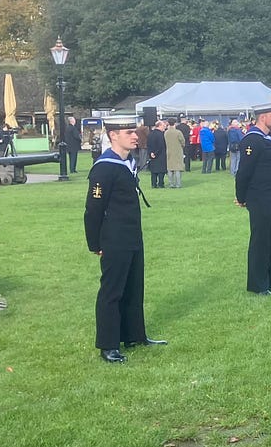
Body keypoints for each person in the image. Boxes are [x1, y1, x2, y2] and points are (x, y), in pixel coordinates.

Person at [82, 115, 164, 363]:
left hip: (132, 235)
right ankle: (108, 345)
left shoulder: (126, 162)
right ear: (113, 135)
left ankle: (134, 335)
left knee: (134, 287)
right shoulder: (105, 167)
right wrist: (95, 243)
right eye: (128, 132)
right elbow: (93, 209)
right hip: (114, 238)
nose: (135, 136)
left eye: (134, 132)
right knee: (112, 291)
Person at [234, 105, 271, 294]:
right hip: (259, 197)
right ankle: (257, 285)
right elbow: (243, 172)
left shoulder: (270, 138)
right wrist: (241, 197)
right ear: (263, 117)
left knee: (270, 239)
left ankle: (268, 279)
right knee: (260, 241)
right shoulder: (253, 140)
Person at [162, 120, 185, 189]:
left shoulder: (166, 132)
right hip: (177, 151)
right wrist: (182, 145)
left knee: (170, 168)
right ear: (175, 124)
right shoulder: (178, 132)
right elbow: (182, 141)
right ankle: (178, 184)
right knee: (177, 168)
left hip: (169, 151)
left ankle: (171, 183)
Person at [146, 120, 168, 188]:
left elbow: (148, 144)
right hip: (160, 154)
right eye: (163, 126)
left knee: (153, 171)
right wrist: (156, 153)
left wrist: (151, 153)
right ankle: (161, 184)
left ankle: (153, 184)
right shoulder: (161, 134)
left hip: (152, 154)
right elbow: (161, 145)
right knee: (161, 170)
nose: (164, 127)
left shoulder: (150, 133)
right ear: (160, 126)